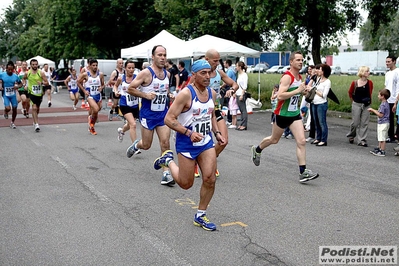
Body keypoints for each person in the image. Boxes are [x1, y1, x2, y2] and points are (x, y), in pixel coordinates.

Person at [153, 59, 226, 231]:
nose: (208, 76)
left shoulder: (212, 93)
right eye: (203, 73)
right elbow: (168, 119)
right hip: (186, 142)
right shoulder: (186, 94)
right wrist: (188, 133)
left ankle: (200, 214)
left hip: (205, 141)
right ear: (193, 75)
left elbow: (212, 115)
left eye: (209, 72)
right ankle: (168, 160)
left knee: (210, 178)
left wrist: (216, 133)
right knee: (186, 184)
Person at [250, 51, 319, 183]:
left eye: (302, 60)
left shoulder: (300, 77)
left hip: (294, 114)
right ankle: (257, 149)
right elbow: (280, 95)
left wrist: (304, 92)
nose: (300, 62)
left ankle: (303, 172)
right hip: (282, 114)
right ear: (291, 62)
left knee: (302, 141)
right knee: (274, 140)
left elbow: (297, 94)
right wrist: (297, 91)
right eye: (298, 60)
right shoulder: (287, 77)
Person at [125, 45, 175, 186]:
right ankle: (137, 145)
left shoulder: (168, 74)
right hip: (148, 115)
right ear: (153, 57)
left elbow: (163, 92)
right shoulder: (146, 73)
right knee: (146, 145)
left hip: (163, 115)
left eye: (164, 55)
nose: (163, 57)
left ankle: (166, 174)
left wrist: (169, 95)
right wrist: (145, 95)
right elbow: (130, 89)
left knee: (165, 143)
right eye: (159, 55)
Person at [114, 60, 141, 153]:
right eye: (129, 68)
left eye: (133, 68)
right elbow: (115, 86)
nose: (131, 70)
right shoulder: (121, 78)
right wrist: (116, 91)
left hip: (135, 104)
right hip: (124, 103)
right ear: (125, 68)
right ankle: (135, 146)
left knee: (130, 124)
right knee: (133, 124)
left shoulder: (137, 78)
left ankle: (121, 131)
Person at [346, 66, 374, 147]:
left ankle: (362, 140)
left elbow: (370, 93)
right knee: (355, 122)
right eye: (367, 71)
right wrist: (353, 102)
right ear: (362, 72)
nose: (369, 72)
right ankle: (351, 135)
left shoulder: (370, 83)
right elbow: (350, 93)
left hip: (366, 105)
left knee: (364, 123)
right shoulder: (354, 83)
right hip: (356, 104)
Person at [77, 58, 105, 135]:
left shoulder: (100, 74)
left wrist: (101, 88)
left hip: (98, 95)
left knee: (97, 111)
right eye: (93, 65)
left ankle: (91, 124)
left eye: (96, 65)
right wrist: (84, 90)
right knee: (95, 109)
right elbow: (78, 82)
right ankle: (92, 126)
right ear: (89, 66)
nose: (95, 67)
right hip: (90, 96)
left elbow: (103, 84)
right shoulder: (86, 74)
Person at [22, 59, 50, 132]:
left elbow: (47, 83)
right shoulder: (28, 73)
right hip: (31, 93)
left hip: (39, 93)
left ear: (37, 65)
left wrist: (42, 83)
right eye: (33, 64)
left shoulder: (41, 73)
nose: (35, 66)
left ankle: (35, 120)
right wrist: (25, 85)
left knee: (37, 109)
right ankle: (37, 124)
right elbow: (23, 79)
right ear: (30, 65)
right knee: (34, 108)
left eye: (36, 64)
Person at [311, 64, 331, 146]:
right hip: (314, 103)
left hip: (321, 104)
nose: (318, 71)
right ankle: (318, 138)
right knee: (316, 122)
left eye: (320, 69)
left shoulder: (327, 82)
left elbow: (324, 95)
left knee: (322, 122)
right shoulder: (318, 79)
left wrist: (314, 90)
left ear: (323, 71)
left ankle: (323, 139)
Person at [0, 61, 23, 128]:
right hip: (5, 95)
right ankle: (5, 111)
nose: (10, 71)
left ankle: (12, 122)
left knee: (15, 108)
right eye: (9, 69)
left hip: (13, 94)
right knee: (8, 108)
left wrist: (17, 86)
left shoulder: (15, 76)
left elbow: (21, 84)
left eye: (11, 70)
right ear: (6, 69)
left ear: (13, 69)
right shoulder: (2, 75)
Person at [368, 89, 391, 156]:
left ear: (382, 96)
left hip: (383, 123)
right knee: (380, 137)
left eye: (379, 95)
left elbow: (380, 115)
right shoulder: (385, 104)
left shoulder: (383, 105)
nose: (378, 96)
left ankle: (382, 150)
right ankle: (379, 148)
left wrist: (372, 110)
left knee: (382, 138)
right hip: (383, 123)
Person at [385, 55, 399, 142]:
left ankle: (397, 135)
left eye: (389, 61)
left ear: (394, 61)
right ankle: (391, 136)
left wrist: (396, 101)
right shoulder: (387, 73)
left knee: (397, 119)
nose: (387, 63)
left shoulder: (397, 72)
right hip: (388, 99)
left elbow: (398, 87)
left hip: (396, 98)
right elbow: (386, 86)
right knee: (389, 118)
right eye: (386, 62)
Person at [222, 59, 236, 125]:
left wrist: (221, 87)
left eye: (225, 63)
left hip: (229, 88)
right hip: (231, 88)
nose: (224, 64)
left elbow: (226, 81)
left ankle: (229, 119)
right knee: (230, 104)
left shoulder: (229, 71)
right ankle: (230, 119)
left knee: (230, 104)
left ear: (227, 64)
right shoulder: (232, 70)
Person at [235, 61, 248, 131]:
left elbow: (245, 86)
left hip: (241, 94)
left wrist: (242, 95)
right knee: (241, 109)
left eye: (237, 66)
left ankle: (244, 124)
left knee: (243, 110)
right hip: (238, 93)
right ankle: (242, 123)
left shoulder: (244, 75)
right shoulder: (239, 75)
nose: (236, 67)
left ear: (240, 67)